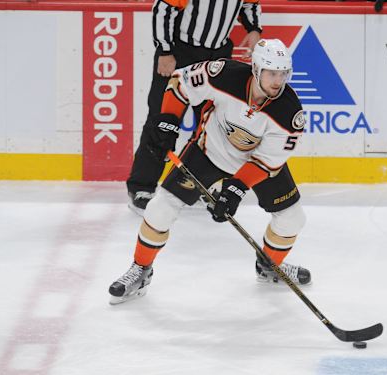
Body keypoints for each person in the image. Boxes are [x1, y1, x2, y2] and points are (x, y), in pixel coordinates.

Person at [109, 39, 311, 305]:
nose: (277, 81)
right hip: (209, 153)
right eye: (271, 73)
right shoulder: (224, 75)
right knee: (161, 207)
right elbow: (180, 82)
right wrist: (169, 121)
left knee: (292, 218)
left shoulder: (289, 112)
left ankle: (269, 266)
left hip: (254, 165)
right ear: (256, 69)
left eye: (283, 73)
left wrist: (236, 190)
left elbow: (266, 161)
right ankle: (141, 270)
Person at [127, 0, 263, 215]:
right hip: (181, 52)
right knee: (162, 119)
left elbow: (250, 4)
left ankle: (198, 185)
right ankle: (142, 187)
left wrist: (254, 29)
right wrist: (164, 51)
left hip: (217, 58)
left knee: (212, 123)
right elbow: (163, 8)